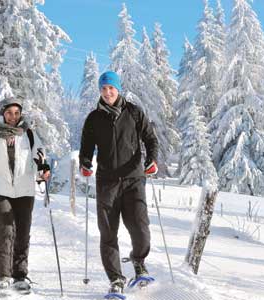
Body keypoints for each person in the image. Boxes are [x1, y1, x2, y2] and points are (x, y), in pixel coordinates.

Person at [79, 71, 159, 295]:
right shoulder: (94, 118)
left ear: (118, 89)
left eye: (111, 88)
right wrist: (85, 163)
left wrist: (152, 160)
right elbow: (86, 147)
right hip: (107, 182)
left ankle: (139, 261)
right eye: (103, 89)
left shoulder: (134, 112)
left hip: (133, 179)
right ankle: (116, 278)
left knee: (141, 229)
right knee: (108, 233)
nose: (107, 92)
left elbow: (150, 138)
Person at [0, 98, 50, 292]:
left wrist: (43, 168)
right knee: (6, 229)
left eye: (16, 113)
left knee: (22, 232)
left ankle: (20, 276)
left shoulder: (29, 134)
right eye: (9, 113)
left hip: (24, 191)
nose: (13, 117)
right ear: (2, 114)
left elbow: (39, 158)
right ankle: (3, 276)